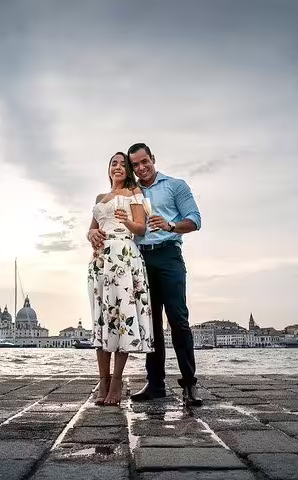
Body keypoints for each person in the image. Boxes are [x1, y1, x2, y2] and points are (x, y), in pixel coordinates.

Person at [88, 143, 203, 406]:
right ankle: (155, 384)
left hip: (168, 256)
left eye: (144, 162)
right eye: (135, 165)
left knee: (178, 319)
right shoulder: (132, 190)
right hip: (138, 260)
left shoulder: (175, 186)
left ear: (153, 158)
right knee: (150, 323)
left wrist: (171, 225)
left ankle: (189, 384)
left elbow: (195, 219)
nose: (141, 167)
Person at [87, 152, 154, 406]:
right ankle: (102, 383)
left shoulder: (134, 192)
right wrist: (90, 234)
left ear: (128, 170)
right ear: (108, 169)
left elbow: (141, 227)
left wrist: (127, 221)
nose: (117, 167)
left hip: (124, 258)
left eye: (122, 164)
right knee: (102, 320)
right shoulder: (99, 198)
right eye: (113, 163)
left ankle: (116, 382)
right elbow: (92, 228)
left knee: (121, 319)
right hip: (100, 262)